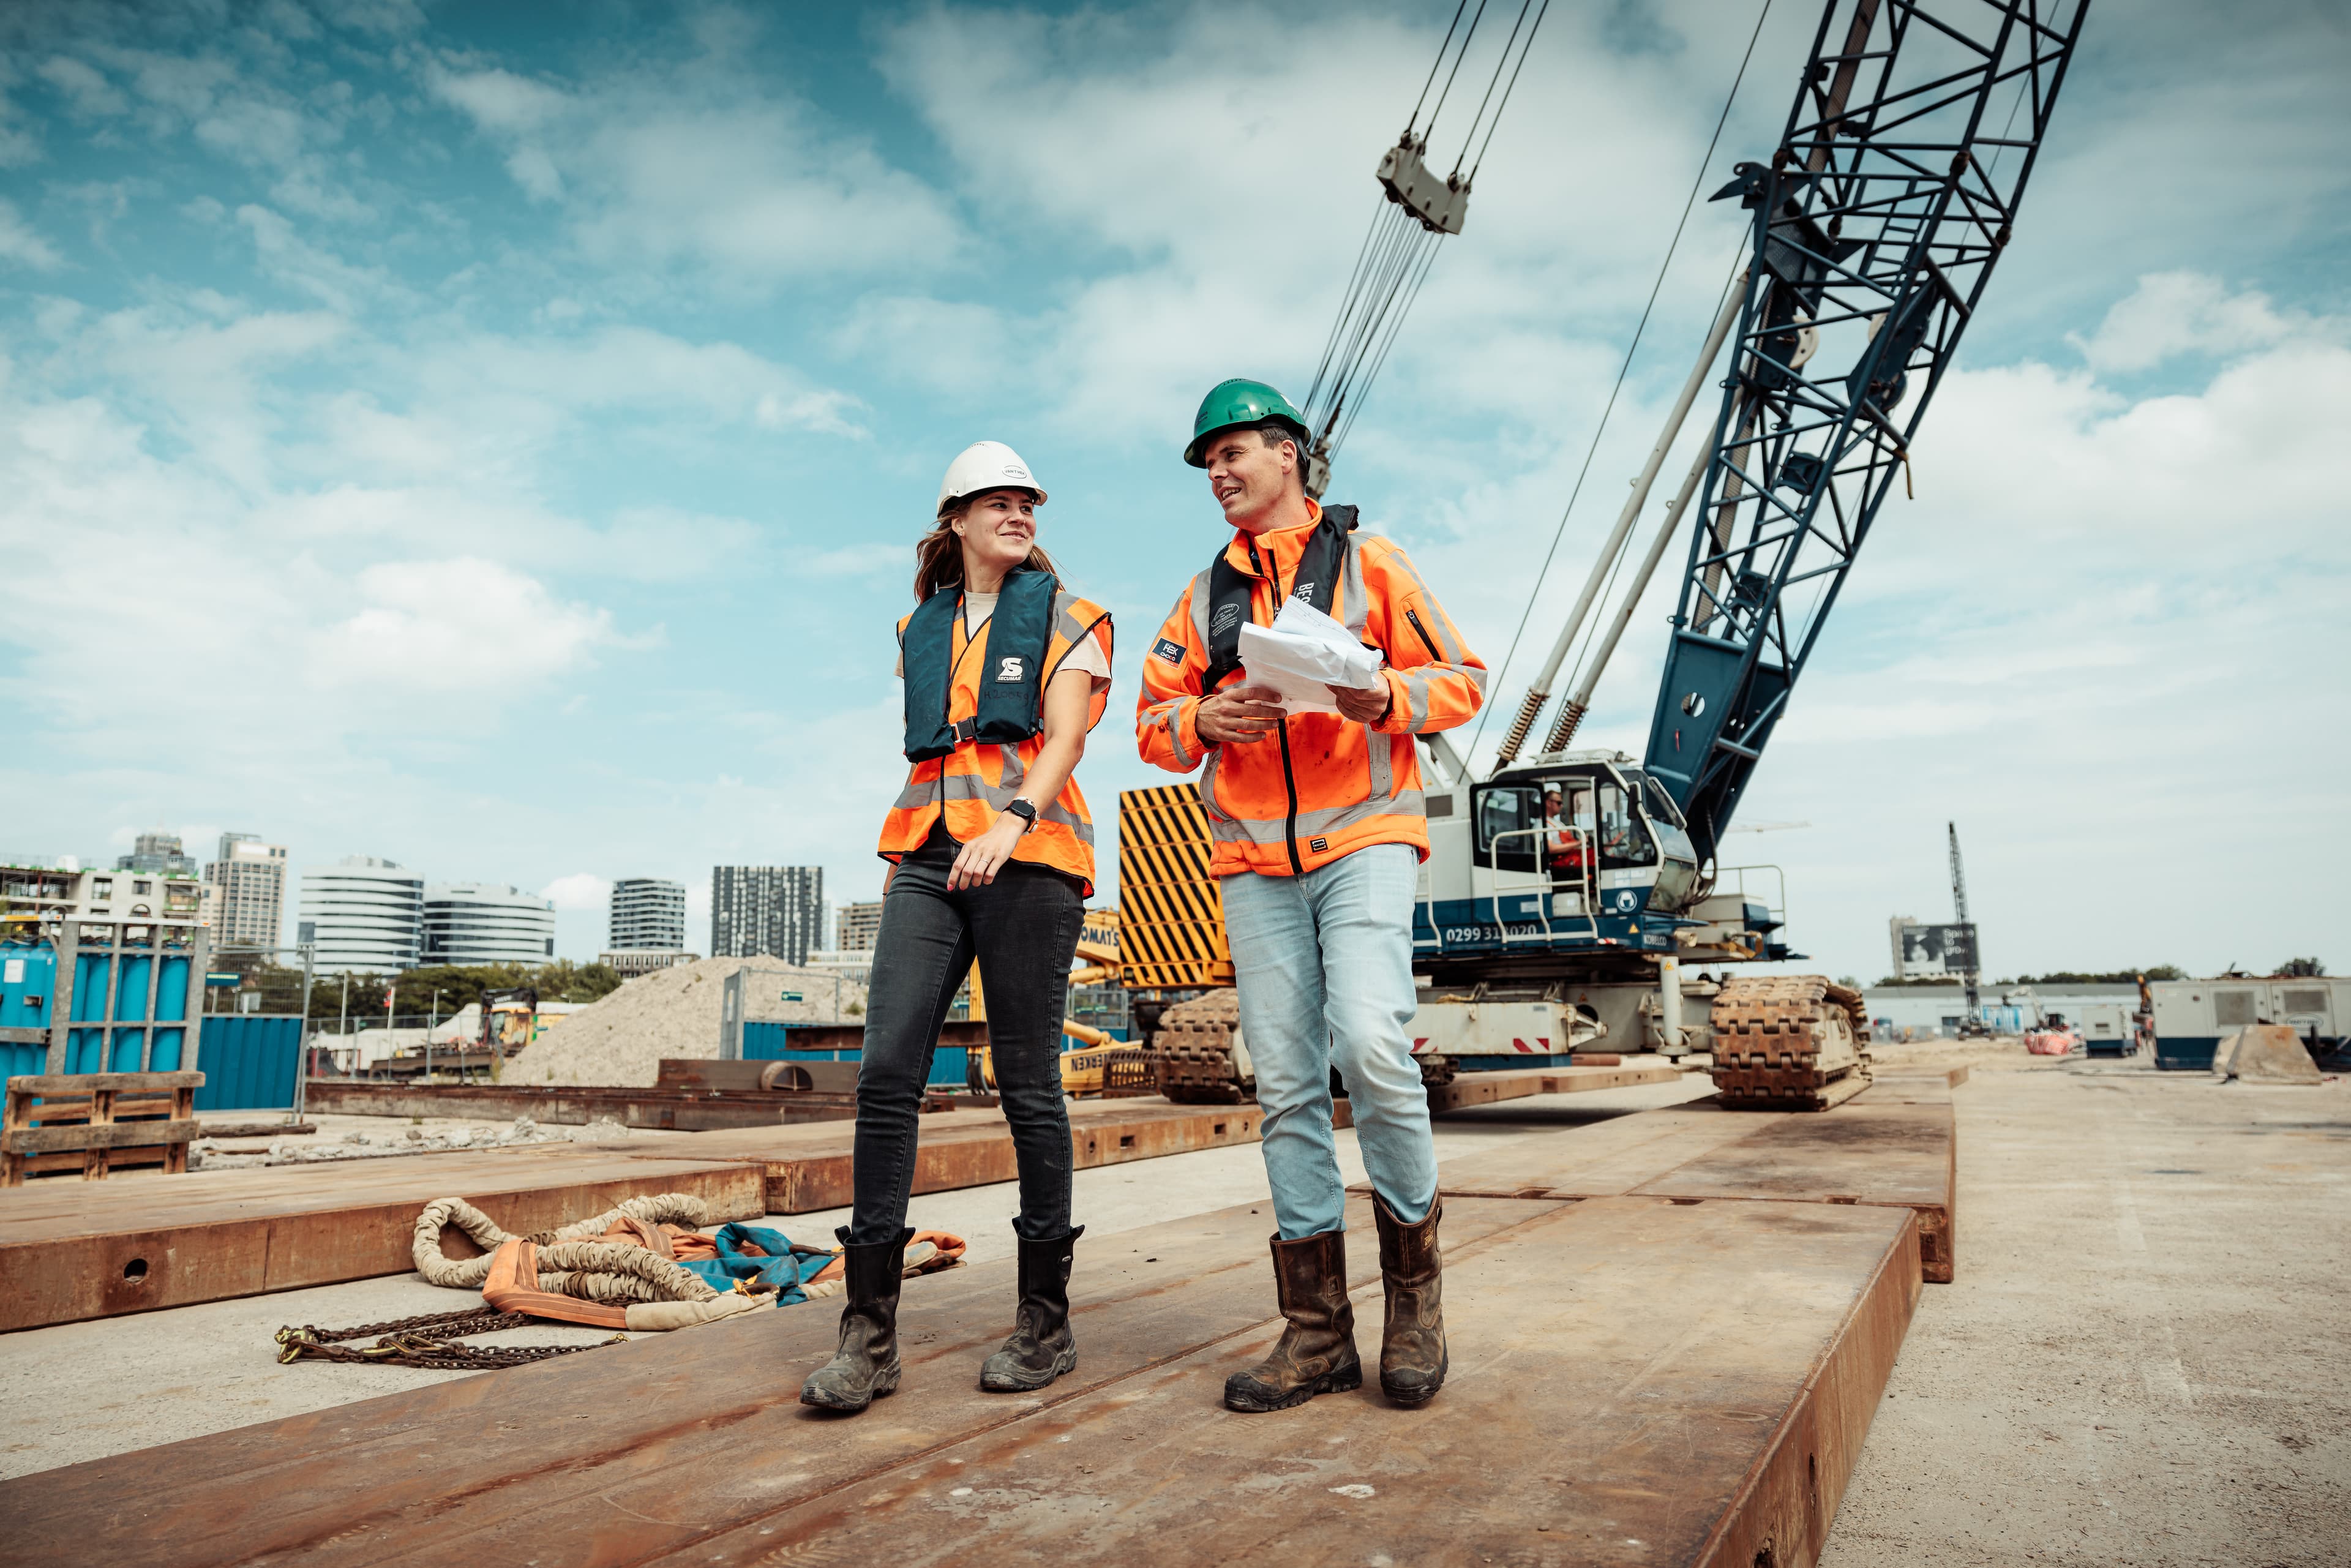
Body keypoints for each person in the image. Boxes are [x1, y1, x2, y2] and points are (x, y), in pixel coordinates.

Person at [1135, 380, 1487, 1412]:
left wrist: (1387, 694)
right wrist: (1205, 721)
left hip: (1365, 838)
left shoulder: (1374, 564)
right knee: (1285, 1082)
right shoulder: (1204, 599)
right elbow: (1153, 727)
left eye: (1234, 451)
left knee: (1373, 1044)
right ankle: (1318, 1333)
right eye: (1208, 461)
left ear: (1290, 453)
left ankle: (1415, 1305)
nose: (1220, 472)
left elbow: (1461, 679)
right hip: (1254, 863)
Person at [801, 440, 1114, 1414]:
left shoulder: (1071, 615)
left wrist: (1014, 818)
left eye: (1029, 502)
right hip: (927, 856)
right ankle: (869, 1335)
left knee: (1028, 1080)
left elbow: (1062, 736)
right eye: (999, 502)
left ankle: (1045, 1322)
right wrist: (959, 835)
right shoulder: (918, 626)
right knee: (889, 1070)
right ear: (957, 520)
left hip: (1030, 853)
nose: (1020, 514)